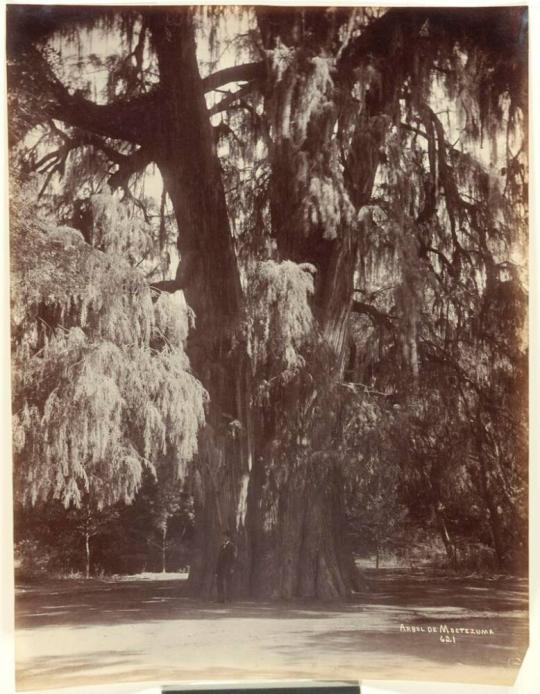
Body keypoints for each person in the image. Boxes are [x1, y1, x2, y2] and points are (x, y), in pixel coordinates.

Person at [215, 530, 236, 603]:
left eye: (225, 536)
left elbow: (233, 558)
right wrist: (217, 569)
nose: (224, 538)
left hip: (227, 567)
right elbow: (219, 558)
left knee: (228, 583)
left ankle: (228, 599)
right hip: (220, 567)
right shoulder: (221, 546)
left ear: (228, 537)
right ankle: (220, 599)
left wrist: (232, 568)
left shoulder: (232, 546)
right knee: (219, 582)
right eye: (223, 536)